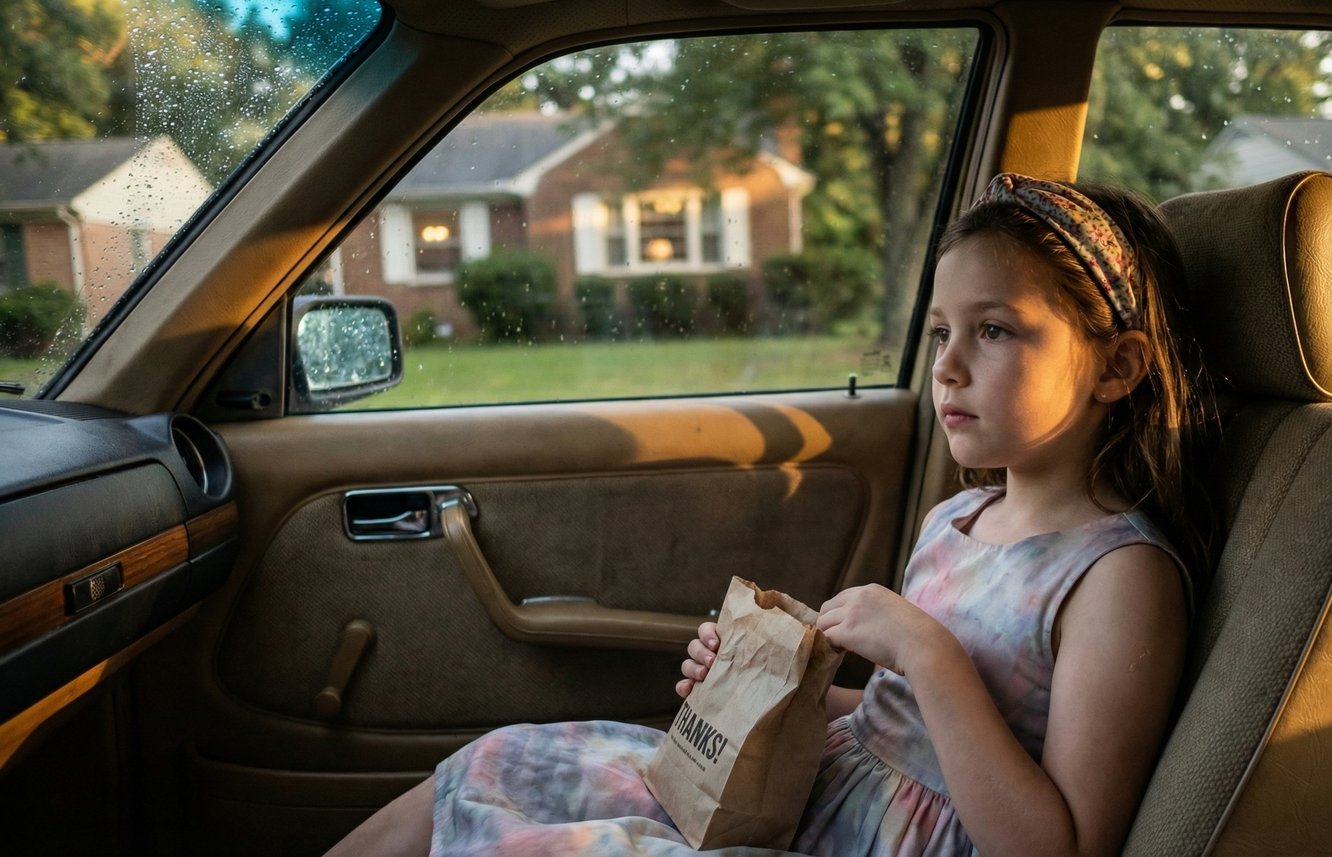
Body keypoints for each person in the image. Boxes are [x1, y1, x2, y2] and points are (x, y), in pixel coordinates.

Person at [325, 173, 1213, 856]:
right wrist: (772, 684)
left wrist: (924, 648)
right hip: (817, 794)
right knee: (504, 761)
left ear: (1118, 366)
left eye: (995, 330)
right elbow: (896, 723)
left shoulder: (1117, 576)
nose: (946, 366)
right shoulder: (959, 521)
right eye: (942, 331)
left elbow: (1060, 844)